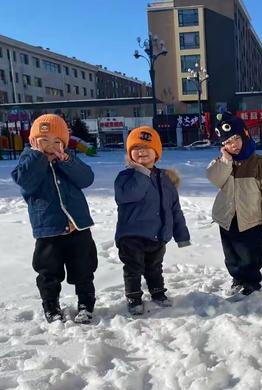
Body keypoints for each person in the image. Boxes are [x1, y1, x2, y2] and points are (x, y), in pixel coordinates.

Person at [11, 114, 98, 323]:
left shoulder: (67, 159)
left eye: (56, 140)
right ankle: (51, 306)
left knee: (84, 268)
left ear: (64, 142)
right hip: (48, 230)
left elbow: (86, 179)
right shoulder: (28, 160)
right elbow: (25, 182)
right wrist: (38, 156)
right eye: (44, 140)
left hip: (77, 227)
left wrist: (66, 159)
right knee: (48, 272)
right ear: (33, 141)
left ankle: (86, 304)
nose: (51, 145)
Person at [114, 126, 190, 315]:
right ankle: (134, 297)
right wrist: (140, 172)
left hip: (157, 234)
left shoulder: (165, 178)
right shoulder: (125, 177)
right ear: (129, 153)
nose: (141, 151)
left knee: (154, 267)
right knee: (133, 268)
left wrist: (181, 235)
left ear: (156, 152)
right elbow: (131, 194)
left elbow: (174, 208)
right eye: (136, 148)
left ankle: (157, 292)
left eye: (146, 147)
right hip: (131, 235)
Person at [207, 112, 262, 296]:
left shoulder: (260, 164)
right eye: (227, 143)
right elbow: (215, 179)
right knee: (231, 253)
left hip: (250, 218)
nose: (233, 145)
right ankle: (237, 277)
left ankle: (252, 281)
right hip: (227, 217)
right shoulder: (222, 163)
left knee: (251, 254)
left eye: (235, 139)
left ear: (245, 135)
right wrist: (225, 161)